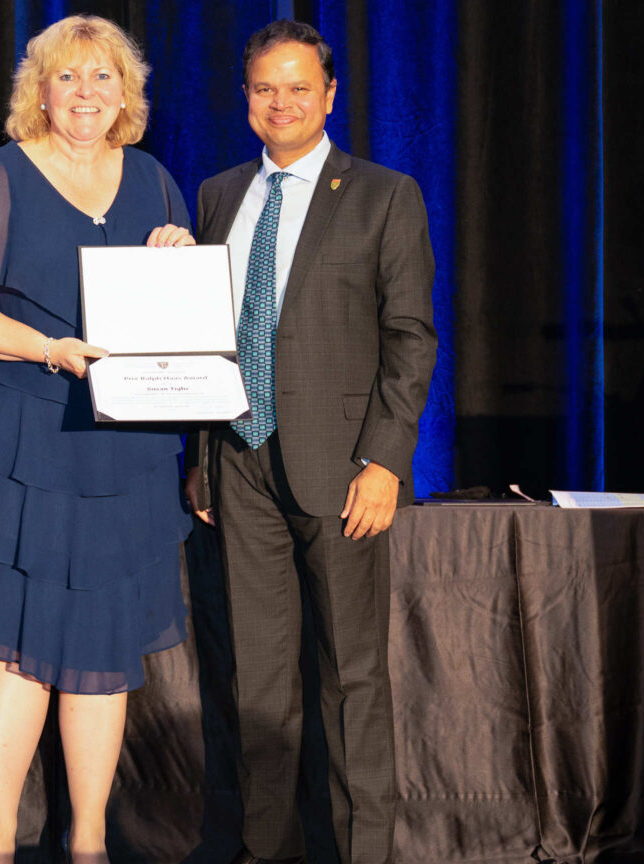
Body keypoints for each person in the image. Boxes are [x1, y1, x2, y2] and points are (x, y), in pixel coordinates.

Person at [0, 15, 194, 864]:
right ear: (38, 91)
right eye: (68, 78)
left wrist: (178, 259)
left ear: (127, 94)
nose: (86, 94)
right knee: (19, 643)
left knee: (102, 650)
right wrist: (48, 348)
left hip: (123, 448)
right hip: (21, 440)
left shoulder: (153, 182)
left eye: (103, 78)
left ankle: (89, 842)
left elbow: (182, 319)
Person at [183, 19, 436, 864]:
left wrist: (385, 461)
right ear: (246, 98)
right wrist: (203, 462)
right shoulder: (218, 194)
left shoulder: (383, 194)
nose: (281, 102)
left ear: (330, 95)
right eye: (265, 88)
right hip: (239, 466)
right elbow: (206, 335)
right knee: (258, 684)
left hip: (342, 469)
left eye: (299, 87)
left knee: (350, 680)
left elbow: (410, 338)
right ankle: (266, 852)